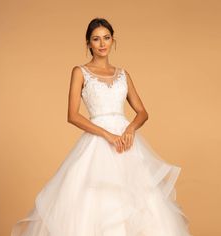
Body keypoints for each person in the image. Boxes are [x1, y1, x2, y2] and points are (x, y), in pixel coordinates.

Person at [11, 17, 192, 236]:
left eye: (106, 38)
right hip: (97, 142)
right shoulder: (80, 72)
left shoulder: (124, 74)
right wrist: (107, 135)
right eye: (96, 39)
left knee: (139, 200)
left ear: (113, 40)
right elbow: (72, 115)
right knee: (96, 201)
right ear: (88, 43)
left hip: (126, 144)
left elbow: (142, 112)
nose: (102, 43)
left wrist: (130, 129)